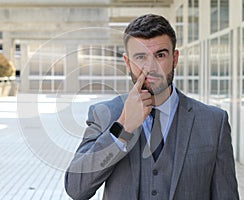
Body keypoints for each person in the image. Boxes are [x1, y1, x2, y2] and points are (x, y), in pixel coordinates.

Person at [64, 14, 239, 200]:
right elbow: (76, 188)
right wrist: (123, 127)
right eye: (140, 57)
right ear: (128, 63)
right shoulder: (104, 114)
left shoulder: (213, 122)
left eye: (160, 55)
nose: (151, 66)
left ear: (175, 58)